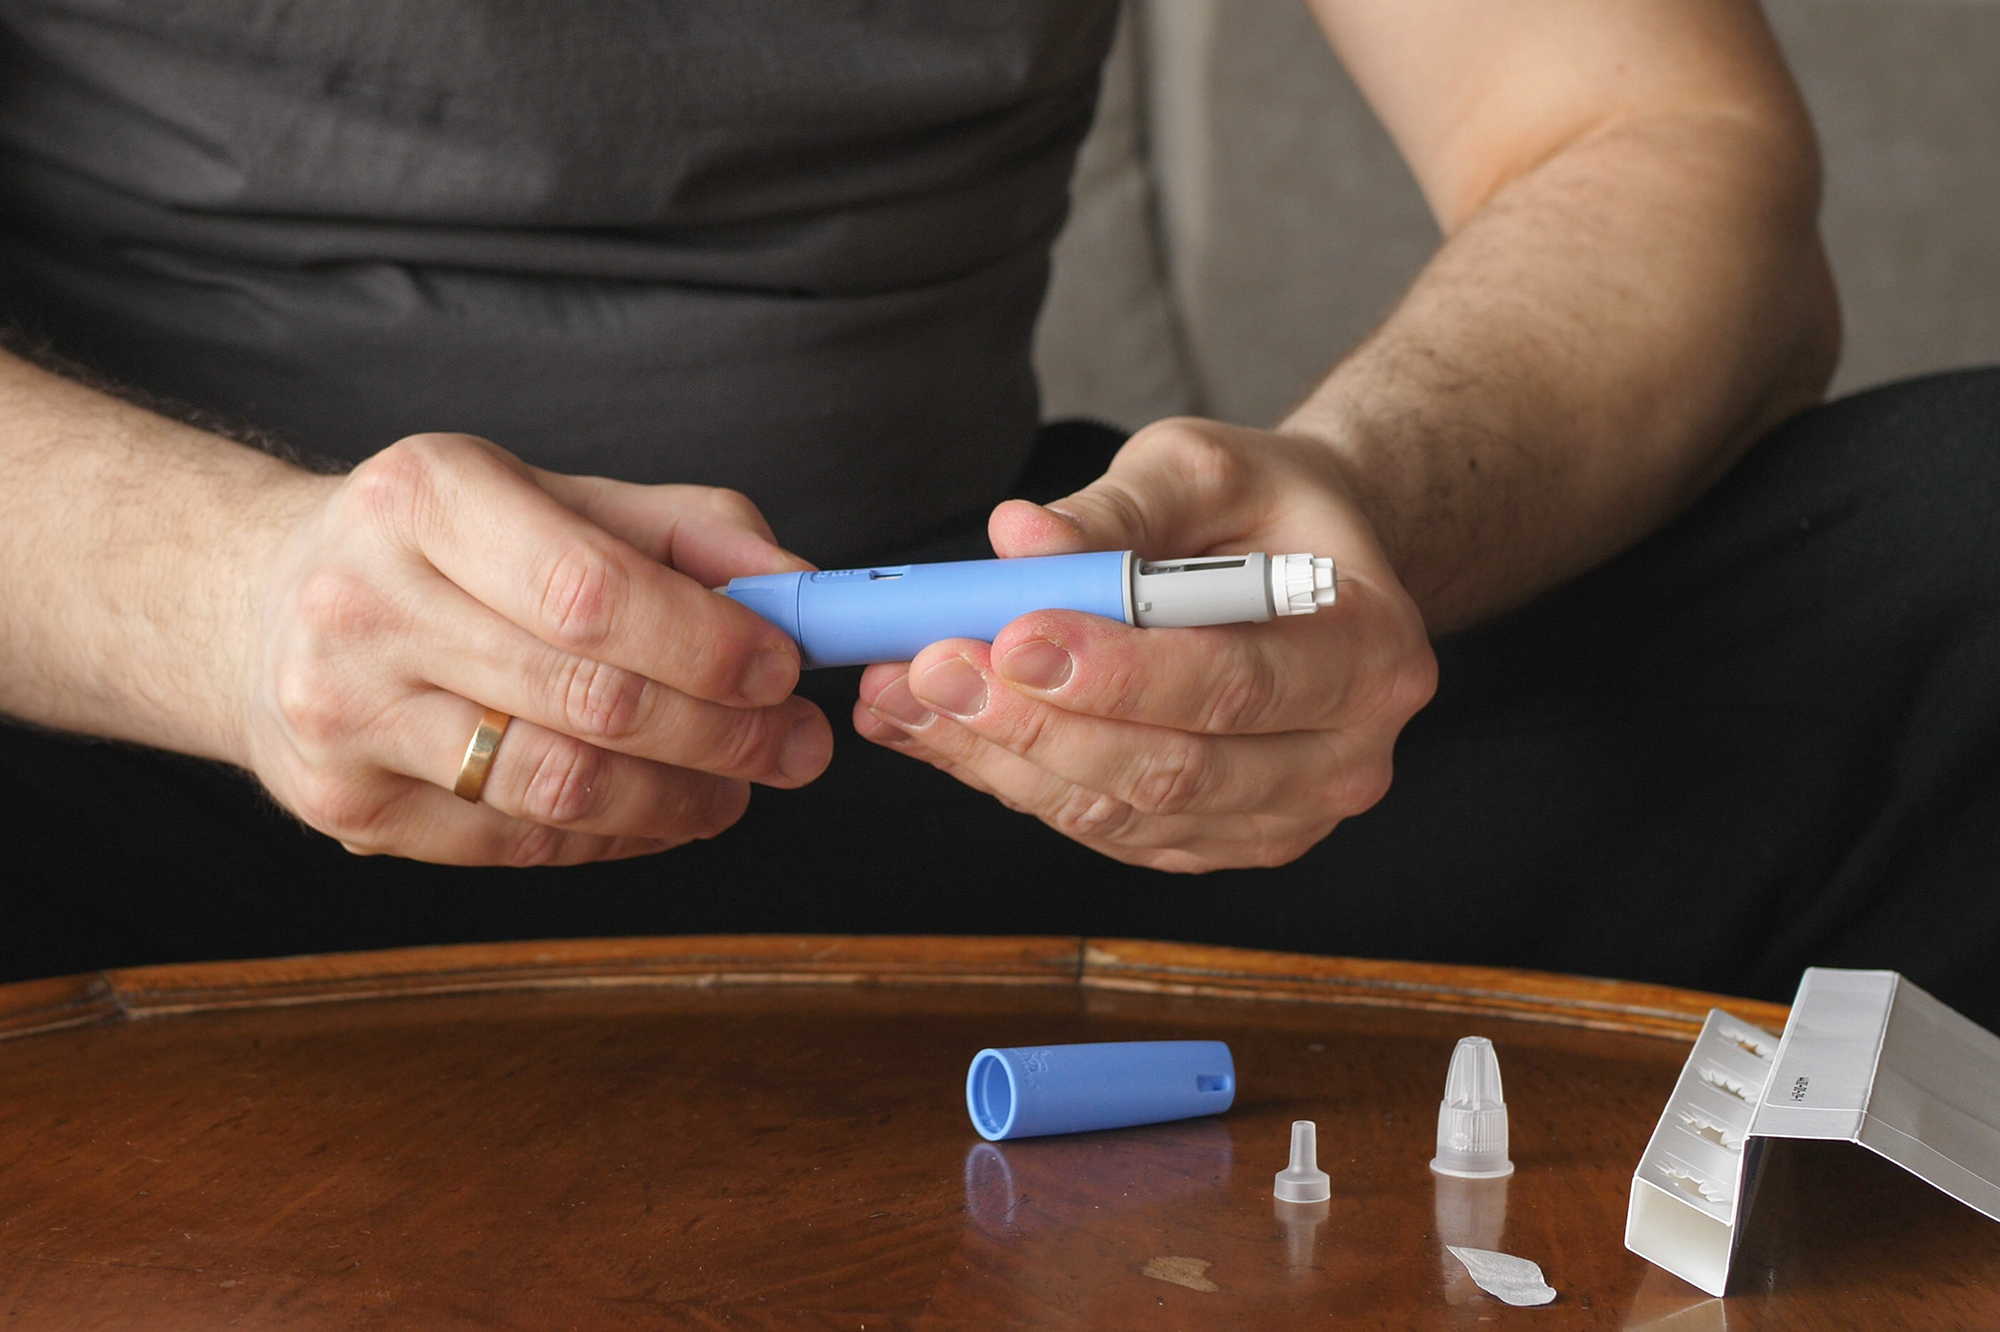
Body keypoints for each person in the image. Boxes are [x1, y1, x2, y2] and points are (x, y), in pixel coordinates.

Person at [2, 1, 1991, 1023]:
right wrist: (234, 600)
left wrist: (1369, 500)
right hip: (152, 765)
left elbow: (1657, 142)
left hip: (1008, 745)